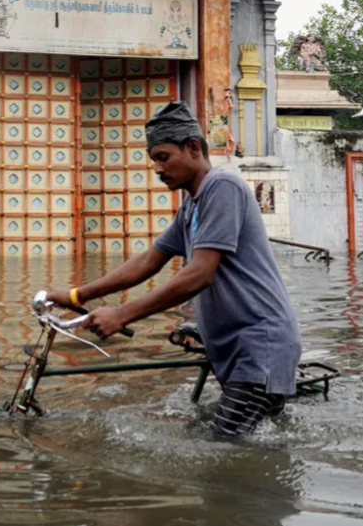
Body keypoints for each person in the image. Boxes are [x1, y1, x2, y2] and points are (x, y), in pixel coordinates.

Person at [44, 101, 302, 439]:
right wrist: (76, 294)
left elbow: (199, 273)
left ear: (193, 147)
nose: (157, 168)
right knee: (246, 445)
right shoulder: (192, 205)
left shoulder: (222, 187)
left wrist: (122, 314)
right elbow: (148, 261)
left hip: (258, 347)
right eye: (153, 160)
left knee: (221, 453)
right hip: (236, 348)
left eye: (163, 157)